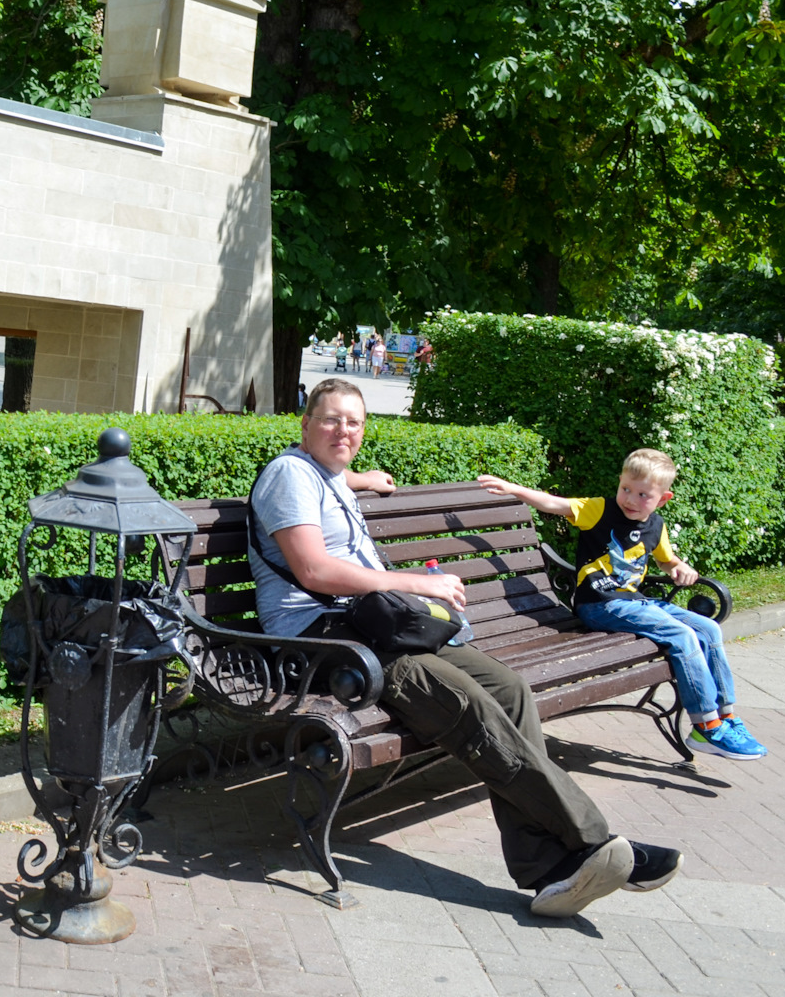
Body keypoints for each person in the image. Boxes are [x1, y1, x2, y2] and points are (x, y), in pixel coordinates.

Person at [248, 378, 681, 917]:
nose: (344, 431)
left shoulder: (326, 475)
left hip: (372, 626)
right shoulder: (290, 474)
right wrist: (414, 583)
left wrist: (360, 478)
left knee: (510, 689)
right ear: (305, 423)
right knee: (472, 708)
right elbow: (313, 569)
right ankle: (596, 844)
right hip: (321, 640)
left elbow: (331, 476)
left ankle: (546, 870)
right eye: (331, 419)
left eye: (354, 423)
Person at [478, 451, 768, 761]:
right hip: (599, 605)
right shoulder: (599, 510)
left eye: (643, 494)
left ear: (663, 499)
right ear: (619, 482)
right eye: (626, 489)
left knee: (708, 628)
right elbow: (555, 503)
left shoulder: (656, 525)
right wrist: (514, 489)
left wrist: (679, 567)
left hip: (634, 602)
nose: (630, 498)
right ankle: (705, 725)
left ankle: (727, 717)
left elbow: (666, 560)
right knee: (682, 635)